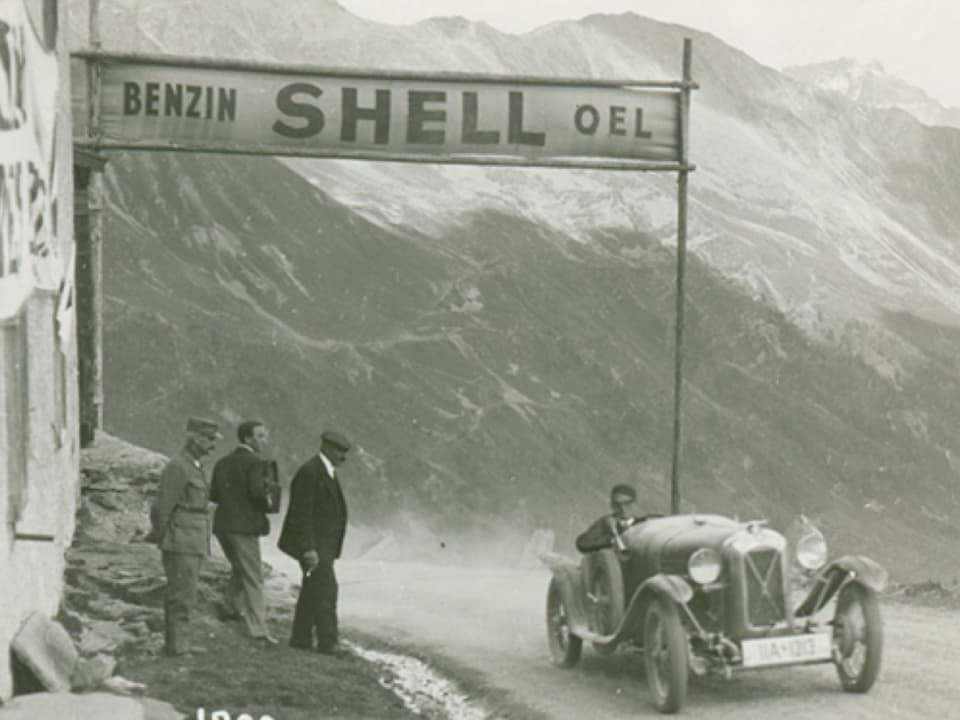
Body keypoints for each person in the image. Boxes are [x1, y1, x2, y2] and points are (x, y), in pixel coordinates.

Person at [149, 417, 222, 656]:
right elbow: (162, 507)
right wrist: (163, 537)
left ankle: (182, 642)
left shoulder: (195, 466)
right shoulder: (178, 466)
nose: (213, 445)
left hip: (193, 538)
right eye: (209, 440)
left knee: (187, 593)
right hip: (181, 539)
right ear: (195, 438)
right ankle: (177, 647)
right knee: (181, 594)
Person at [278, 429, 351, 654]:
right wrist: (308, 548)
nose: (344, 457)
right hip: (315, 547)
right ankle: (328, 642)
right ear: (327, 448)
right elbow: (302, 514)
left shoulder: (325, 471)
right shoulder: (311, 472)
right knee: (327, 590)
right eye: (340, 451)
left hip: (323, 546)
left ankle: (300, 639)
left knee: (312, 591)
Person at [210, 420, 281, 645]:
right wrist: (269, 499)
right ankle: (258, 629)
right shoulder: (257, 463)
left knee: (241, 569)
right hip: (245, 528)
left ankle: (228, 608)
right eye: (260, 436)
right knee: (254, 576)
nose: (264, 440)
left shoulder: (221, 463)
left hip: (222, 526)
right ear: (248, 438)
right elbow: (258, 495)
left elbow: (214, 495)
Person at [576, 484, 642, 553]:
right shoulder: (605, 523)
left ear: (635, 505)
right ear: (611, 505)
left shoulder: (643, 524)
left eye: (627, 504)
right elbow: (582, 543)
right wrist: (611, 541)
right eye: (617, 505)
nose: (623, 508)